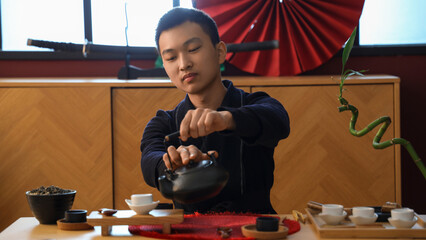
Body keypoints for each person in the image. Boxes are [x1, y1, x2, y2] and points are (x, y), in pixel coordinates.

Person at [140, 7, 290, 214]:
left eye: (193, 49)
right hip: (189, 233)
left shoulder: (255, 103)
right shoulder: (164, 123)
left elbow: (278, 120)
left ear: (219, 52)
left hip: (255, 230)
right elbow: (150, 160)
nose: (184, 64)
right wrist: (171, 162)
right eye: (171, 57)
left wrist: (224, 119)